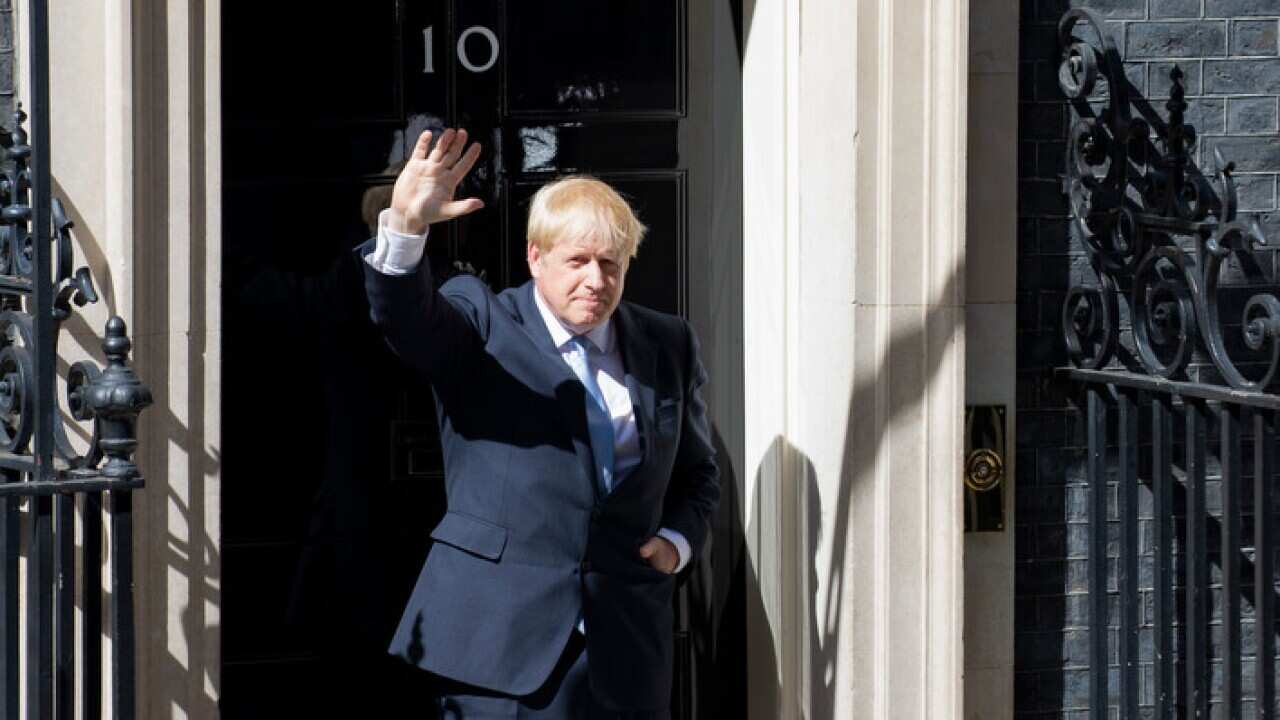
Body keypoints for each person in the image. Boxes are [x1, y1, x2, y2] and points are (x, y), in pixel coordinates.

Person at [354, 127, 721, 719]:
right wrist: (405, 227)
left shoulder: (665, 342)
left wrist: (675, 545)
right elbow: (408, 322)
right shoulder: (483, 320)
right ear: (536, 256)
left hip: (624, 647)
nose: (596, 282)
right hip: (498, 649)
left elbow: (698, 472)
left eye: (611, 263)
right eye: (577, 261)